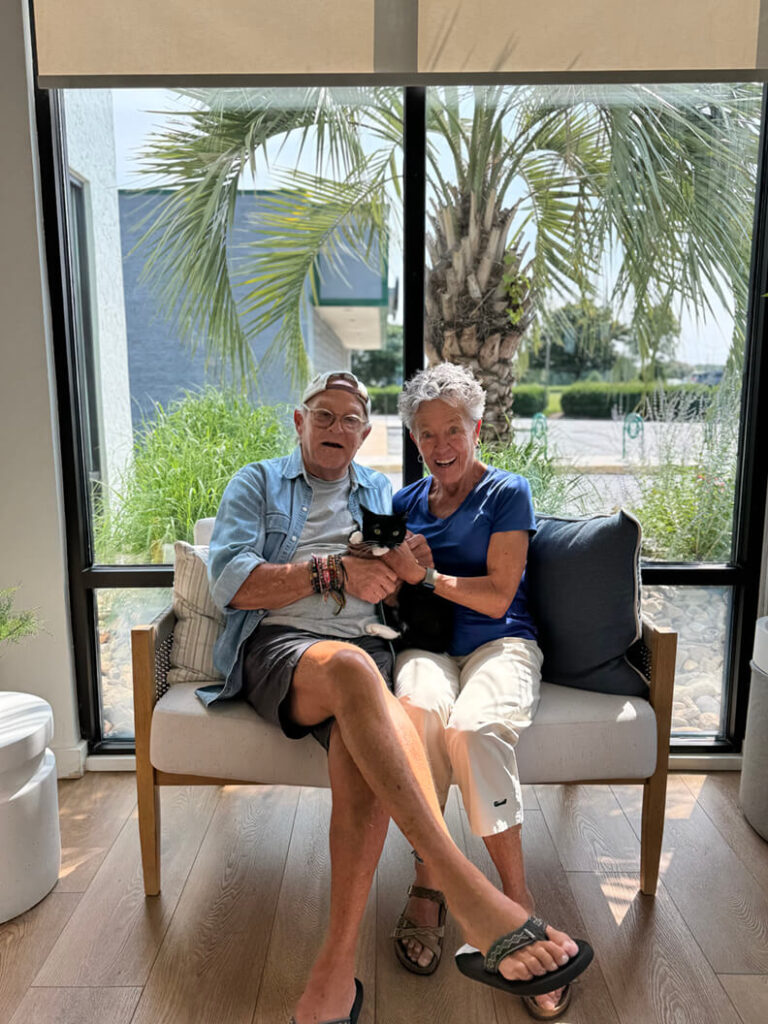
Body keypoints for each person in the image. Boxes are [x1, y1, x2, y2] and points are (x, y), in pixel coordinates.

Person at [205, 369, 584, 1024]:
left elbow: (395, 578)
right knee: (361, 676)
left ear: (367, 434)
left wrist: (396, 576)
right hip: (286, 650)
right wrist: (333, 570)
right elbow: (232, 583)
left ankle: (337, 973)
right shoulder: (258, 482)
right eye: (323, 415)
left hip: (379, 648)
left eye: (351, 419)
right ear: (299, 422)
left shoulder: (381, 491)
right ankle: (477, 899)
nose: (336, 428)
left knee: (372, 737)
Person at [383, 363, 567, 1020]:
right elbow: (390, 592)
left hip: (500, 641)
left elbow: (494, 598)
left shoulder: (507, 493)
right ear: (416, 439)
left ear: (476, 427)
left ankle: (516, 909)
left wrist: (428, 579)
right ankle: (428, 883)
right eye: (426, 434)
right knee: (417, 714)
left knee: (474, 727)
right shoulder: (404, 504)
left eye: (452, 430)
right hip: (428, 647)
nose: (440, 445)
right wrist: (397, 576)